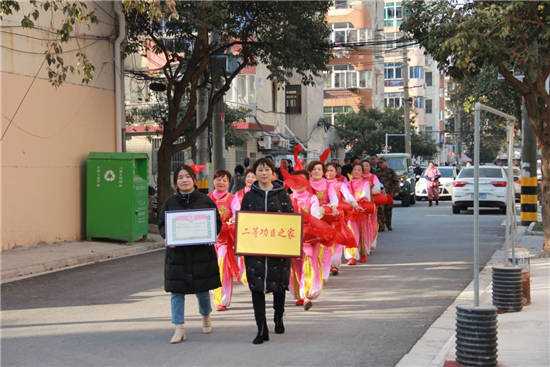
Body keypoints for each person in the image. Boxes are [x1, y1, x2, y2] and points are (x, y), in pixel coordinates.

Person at [158, 165, 222, 344]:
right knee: (176, 291)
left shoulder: (206, 200)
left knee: (202, 290)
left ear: (194, 179)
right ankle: (179, 327)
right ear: (175, 182)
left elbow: (216, 222)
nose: (184, 180)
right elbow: (162, 224)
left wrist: (212, 234)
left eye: (187, 177)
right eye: (180, 177)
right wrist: (167, 236)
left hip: (201, 254)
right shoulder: (170, 202)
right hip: (177, 256)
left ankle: (206, 316)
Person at [240, 158, 294, 345]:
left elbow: (291, 221)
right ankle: (261, 328)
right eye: (260, 170)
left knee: (278, 285)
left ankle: (278, 316)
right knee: (256, 287)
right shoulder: (248, 196)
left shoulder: (282, 194)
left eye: (267, 170)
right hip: (255, 250)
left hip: (278, 249)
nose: (264, 173)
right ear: (255, 174)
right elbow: (244, 223)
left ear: (273, 173)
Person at [288, 170, 323, 311]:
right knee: (296, 265)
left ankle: (307, 294)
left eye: (302, 181)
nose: (299, 185)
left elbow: (315, 217)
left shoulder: (312, 198)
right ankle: (299, 293)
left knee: (308, 263)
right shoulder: (288, 198)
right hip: (292, 237)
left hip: (309, 236)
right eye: (295, 181)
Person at [208, 169, 239, 311]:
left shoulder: (233, 198)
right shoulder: (207, 198)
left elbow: (237, 214)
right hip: (209, 241)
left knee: (223, 266)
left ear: (229, 183)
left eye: (224, 180)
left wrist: (234, 219)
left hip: (225, 240)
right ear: (214, 181)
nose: (221, 182)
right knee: (210, 267)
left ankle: (222, 299)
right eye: (218, 179)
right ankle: (213, 289)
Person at [308, 160, 340, 281]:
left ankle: (324, 273)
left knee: (326, 247)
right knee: (312, 246)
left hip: (325, 219)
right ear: (310, 172)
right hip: (310, 221)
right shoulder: (305, 184)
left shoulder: (328, 185)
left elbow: (333, 198)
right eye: (314, 169)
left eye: (319, 169)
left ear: (323, 172)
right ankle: (312, 272)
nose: (316, 171)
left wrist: (332, 206)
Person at [231, 168, 256, 282]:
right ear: (245, 178)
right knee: (243, 253)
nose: (250, 179)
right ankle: (245, 274)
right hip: (243, 228)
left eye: (253, 177)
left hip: (256, 227)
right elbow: (236, 211)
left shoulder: (258, 193)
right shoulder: (239, 194)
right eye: (248, 176)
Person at [374, 157, 399, 232]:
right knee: (380, 209)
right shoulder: (376, 172)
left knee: (388, 209)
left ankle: (388, 224)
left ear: (385, 162)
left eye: (382, 162)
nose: (380, 164)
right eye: (379, 163)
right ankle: (381, 226)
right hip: (380, 194)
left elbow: (396, 181)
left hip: (389, 193)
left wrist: (396, 191)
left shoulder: (391, 171)